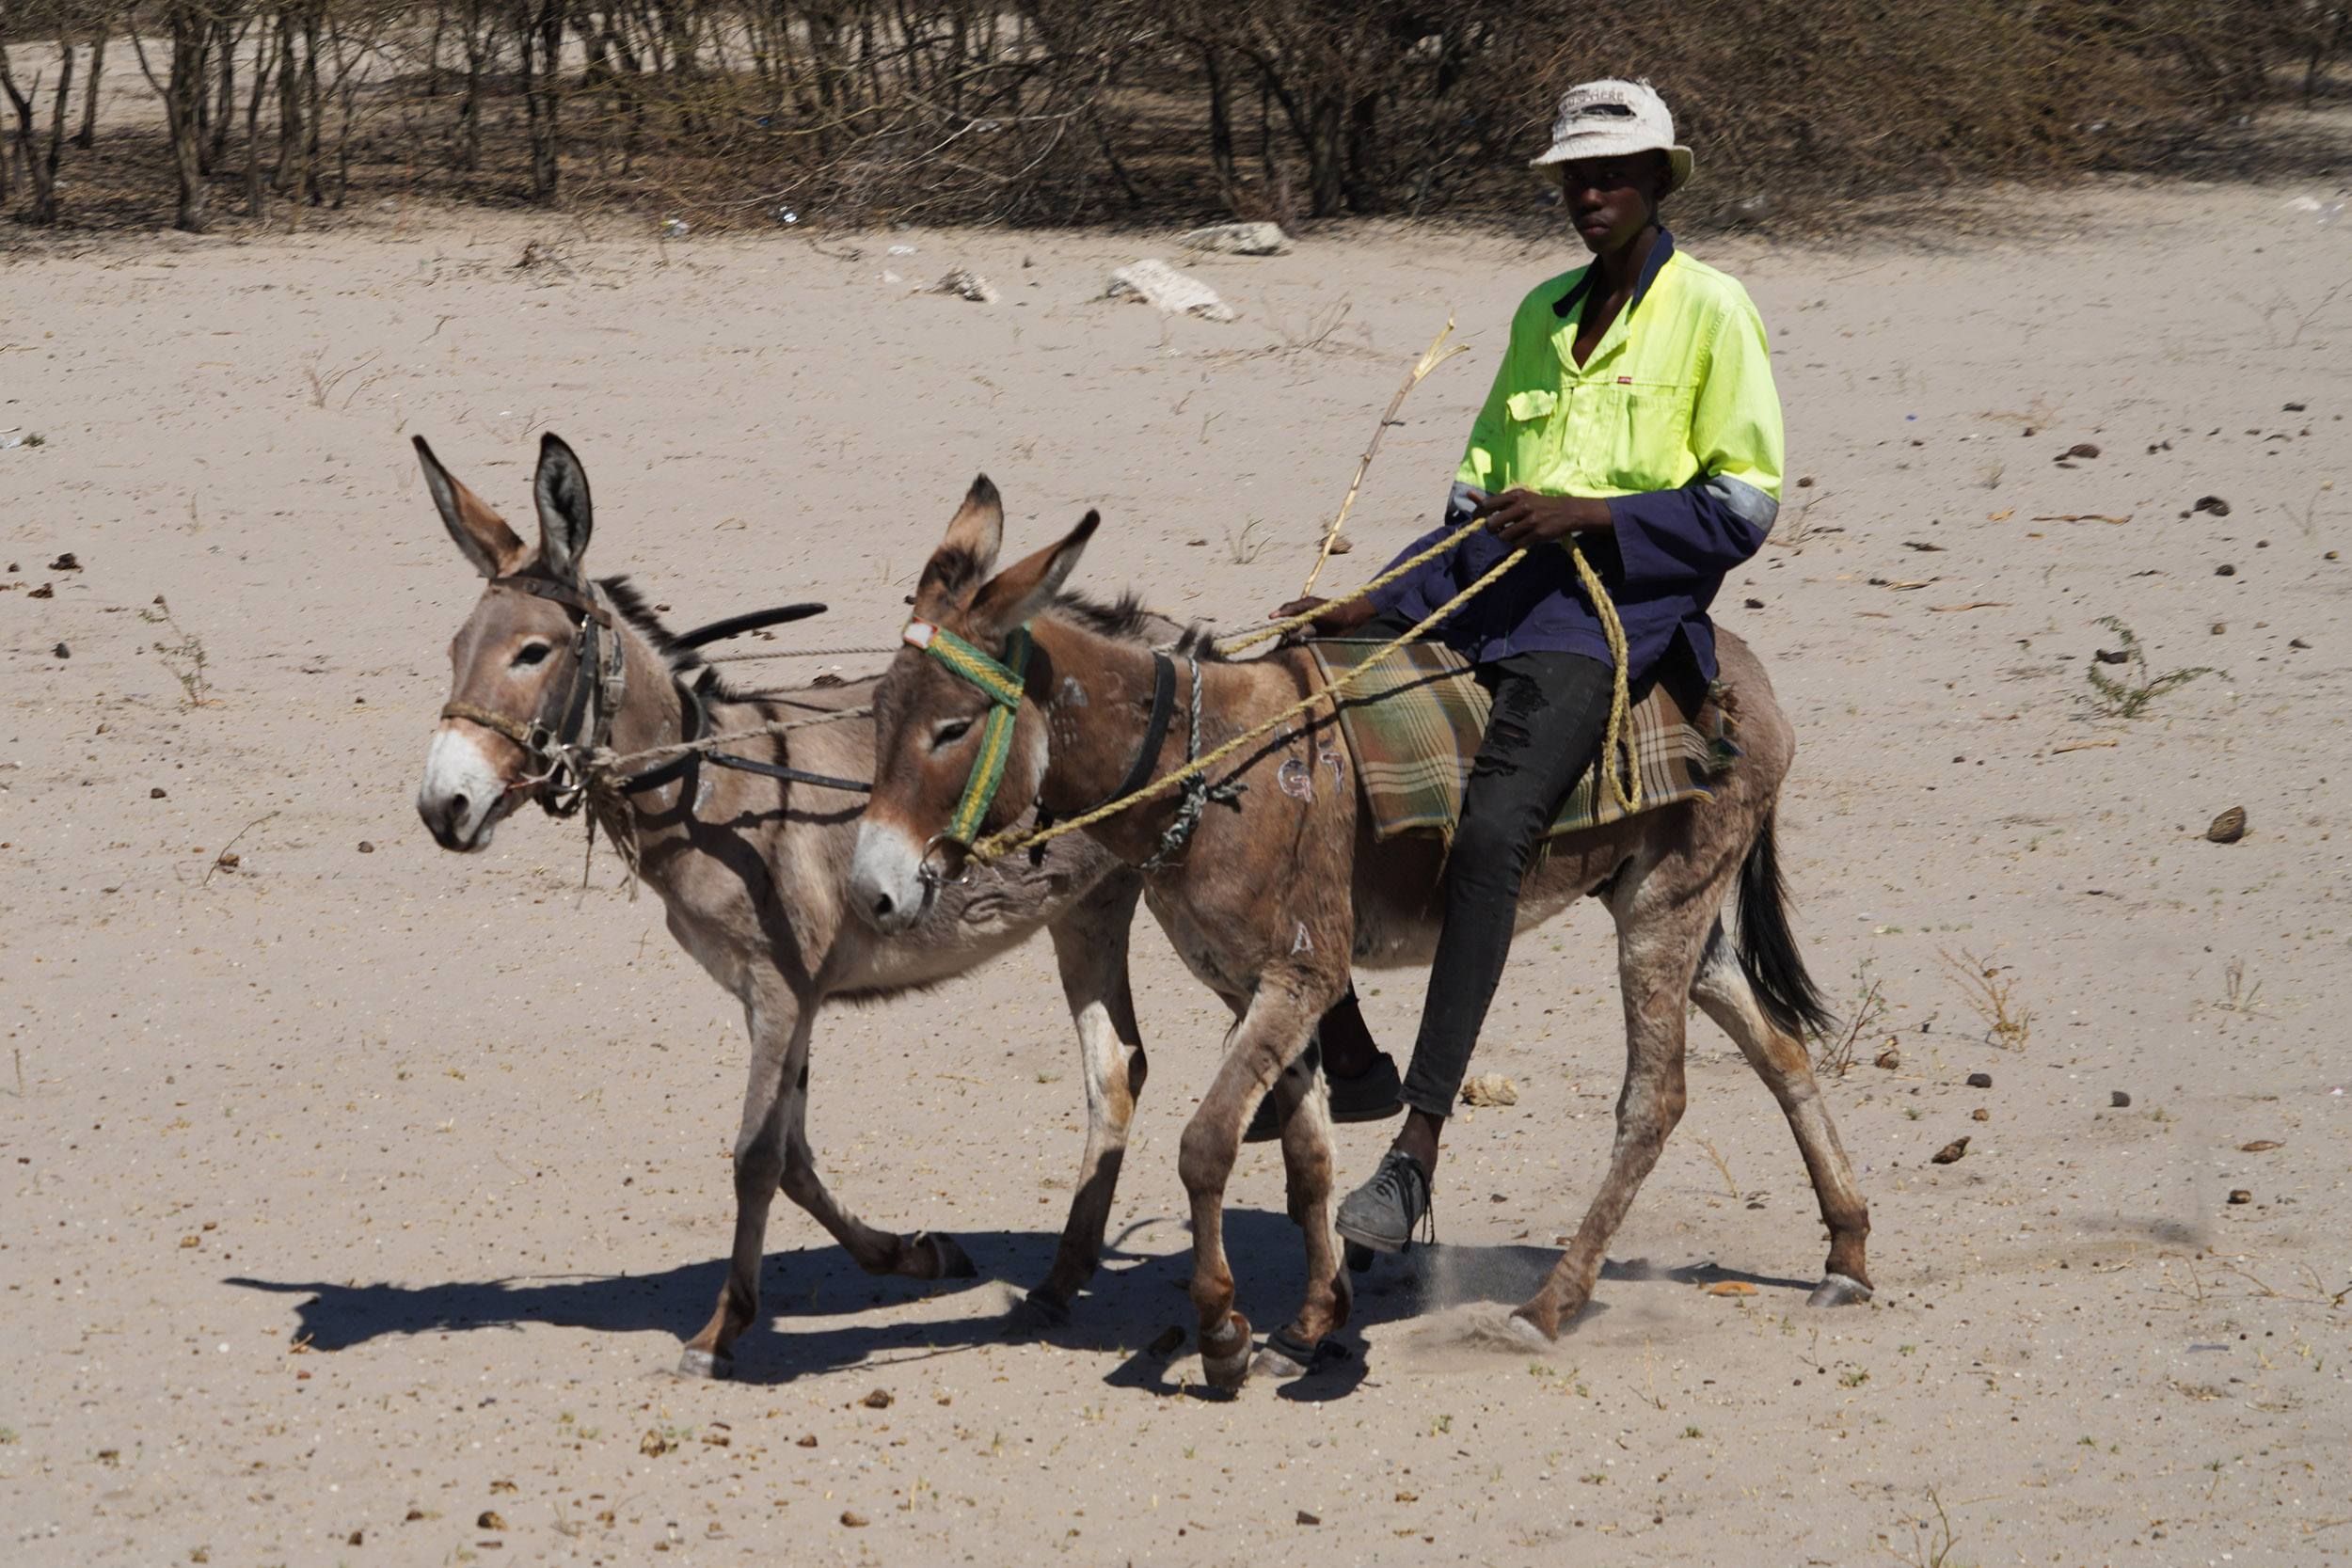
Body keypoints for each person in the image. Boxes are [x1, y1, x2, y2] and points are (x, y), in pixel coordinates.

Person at [1280, 78, 1787, 1253]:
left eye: (1612, 174)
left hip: (1612, 609)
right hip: (1496, 587)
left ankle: (1412, 1152)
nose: (1590, 193)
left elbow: (1745, 504)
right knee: (1300, 721)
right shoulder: (1539, 313)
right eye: (1575, 177)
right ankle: (1345, 1049)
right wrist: (1370, 601)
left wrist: (1591, 514)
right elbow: (1471, 507)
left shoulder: (1714, 309)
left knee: (1497, 826)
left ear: (1659, 179)